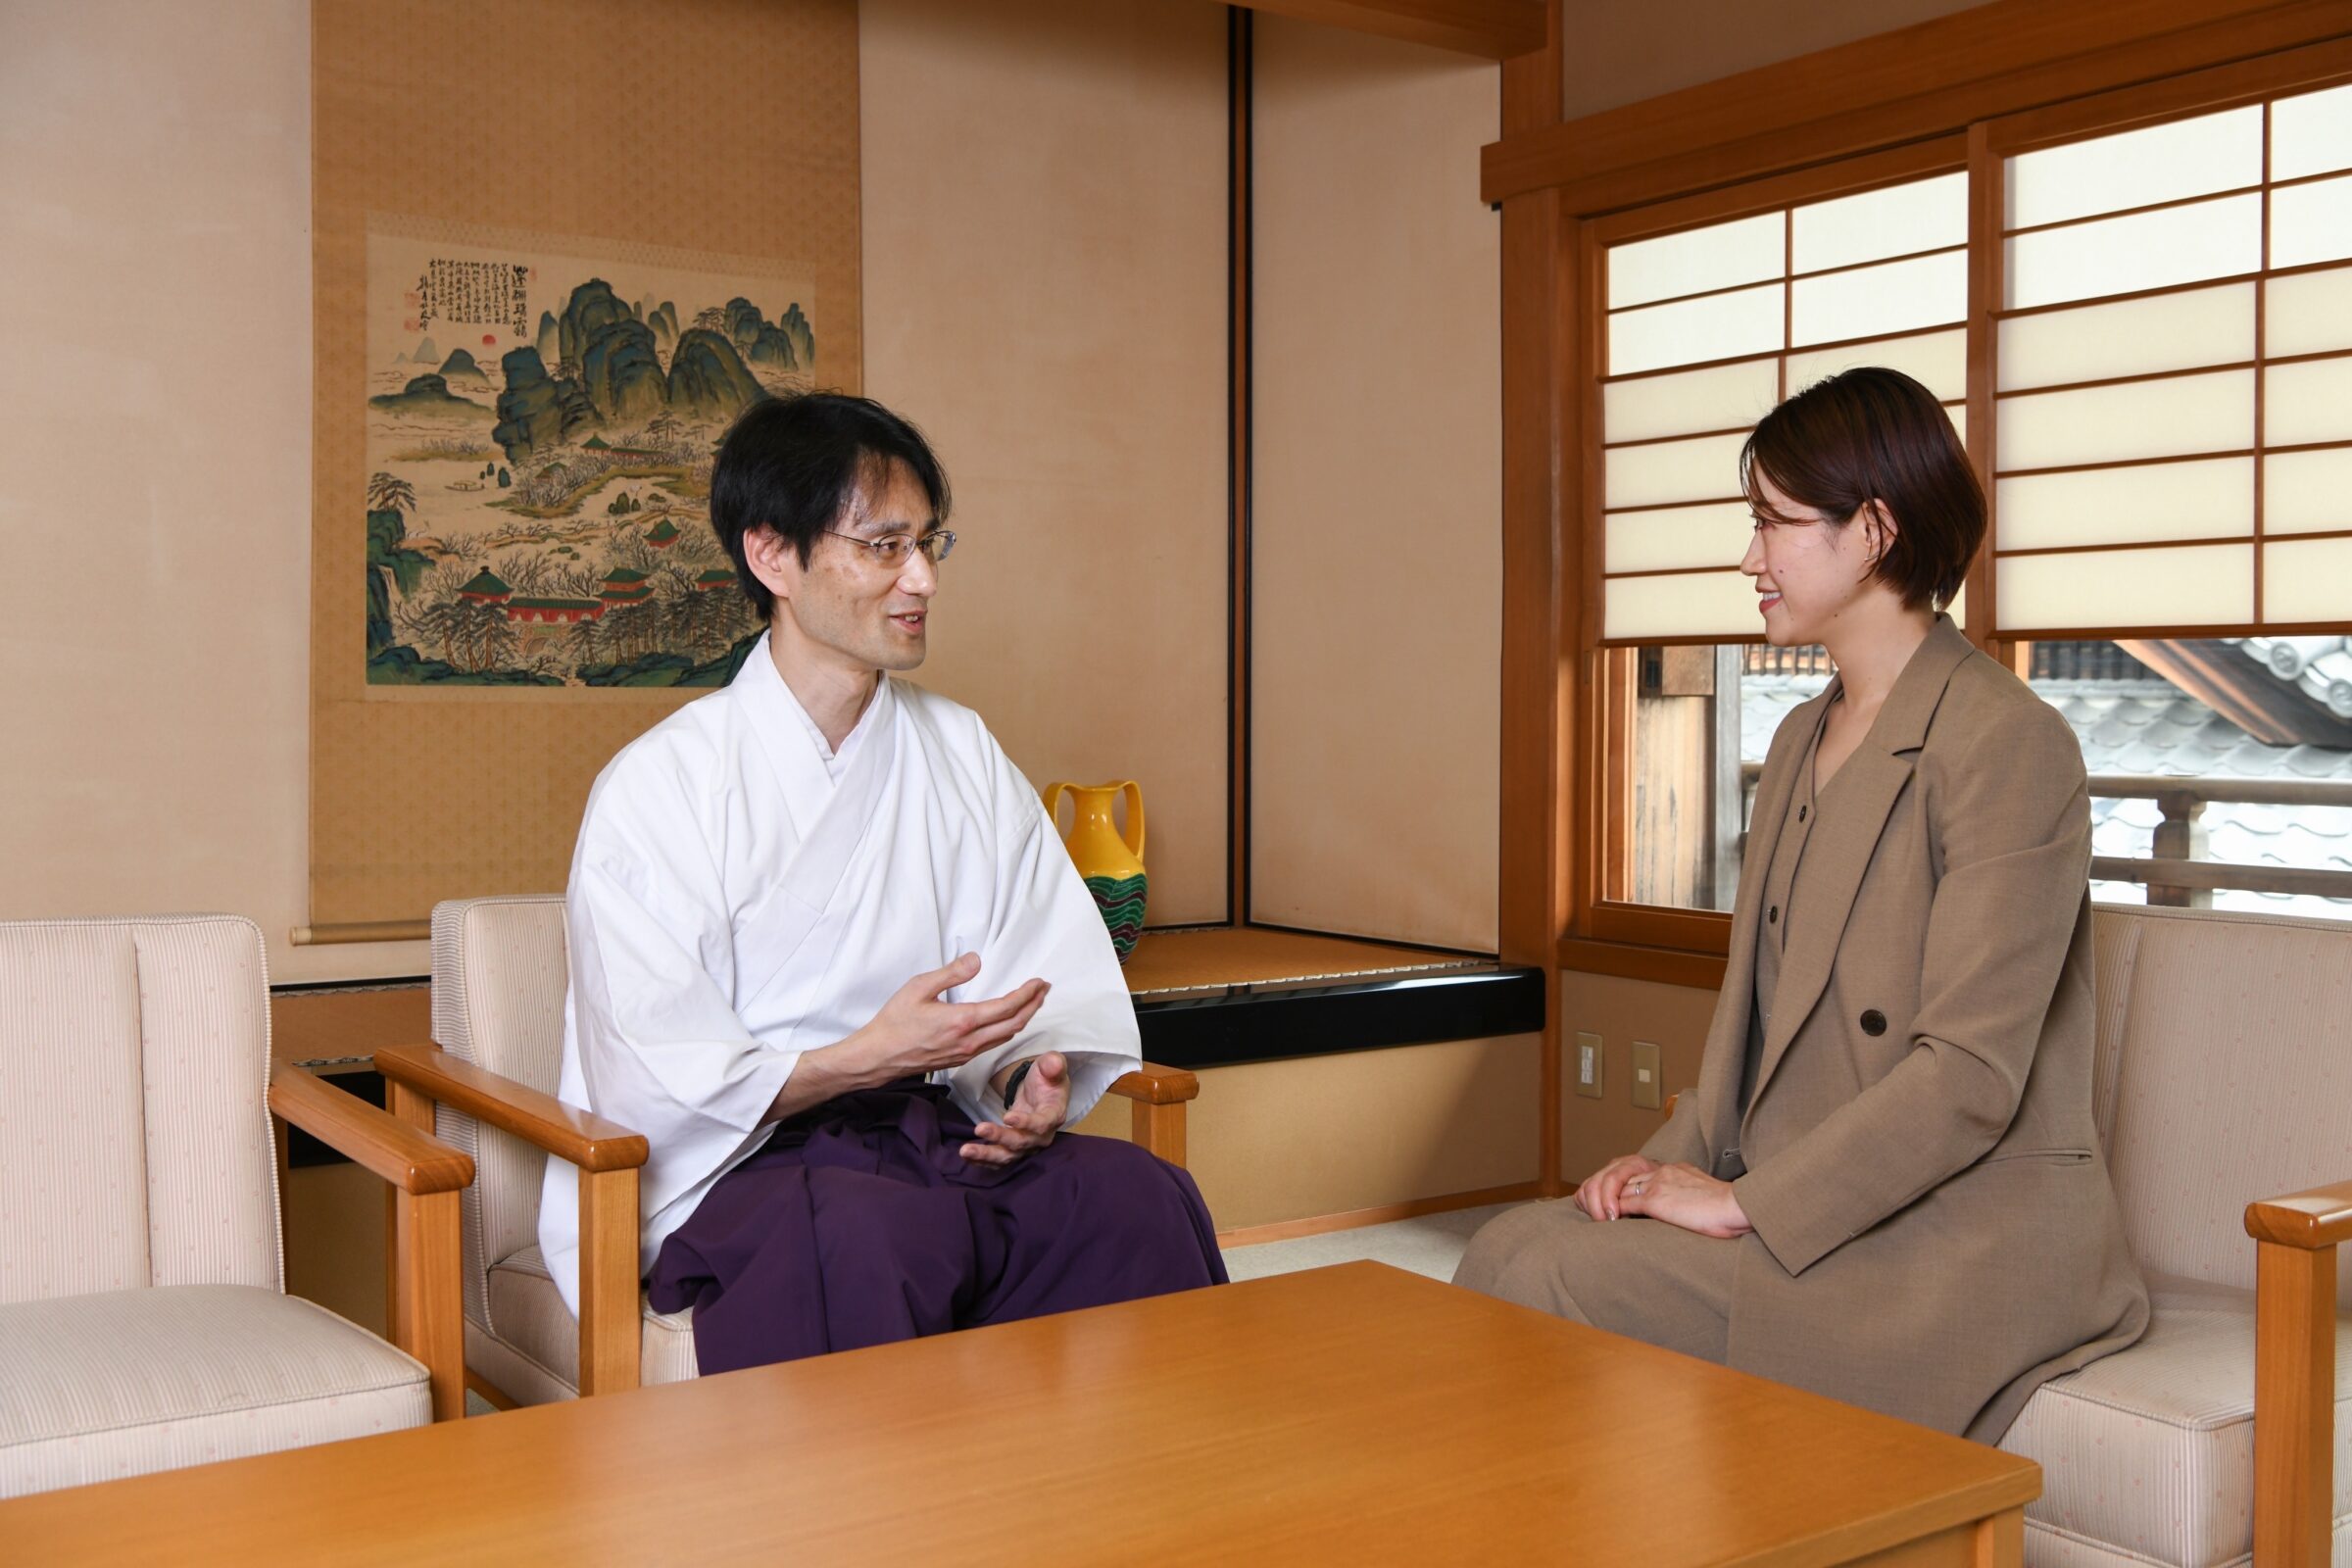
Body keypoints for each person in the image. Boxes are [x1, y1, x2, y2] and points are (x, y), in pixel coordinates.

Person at [1454, 367, 2148, 1442]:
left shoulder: (2009, 743)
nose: (1750, 558)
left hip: (1954, 1233)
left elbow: (1969, 1077)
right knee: (1514, 1240)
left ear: (1874, 529)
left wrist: (1737, 1202)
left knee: (1551, 1275)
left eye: (1774, 523)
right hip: (1807, 1197)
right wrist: (1663, 1160)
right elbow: (1758, 1032)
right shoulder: (1795, 741)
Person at [537, 392, 1226, 1376]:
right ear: (772, 556)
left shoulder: (960, 749)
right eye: (883, 545)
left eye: (931, 543)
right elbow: (654, 1073)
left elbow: (1036, 964)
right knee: (861, 1240)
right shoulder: (661, 786)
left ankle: (1127, 1521)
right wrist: (855, 1058)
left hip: (935, 1132)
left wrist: (1026, 1078)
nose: (923, 579)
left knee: (1134, 1200)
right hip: (750, 1166)